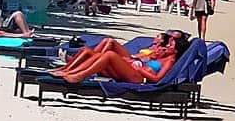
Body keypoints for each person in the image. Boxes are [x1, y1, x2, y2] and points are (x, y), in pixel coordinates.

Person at [53, 32, 185, 84]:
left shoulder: (169, 60)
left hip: (139, 78)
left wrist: (140, 69)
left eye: (170, 45)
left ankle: (79, 75)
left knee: (109, 54)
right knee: (88, 50)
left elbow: (156, 79)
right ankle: (67, 70)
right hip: (133, 70)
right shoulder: (162, 53)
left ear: (176, 50)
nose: (167, 46)